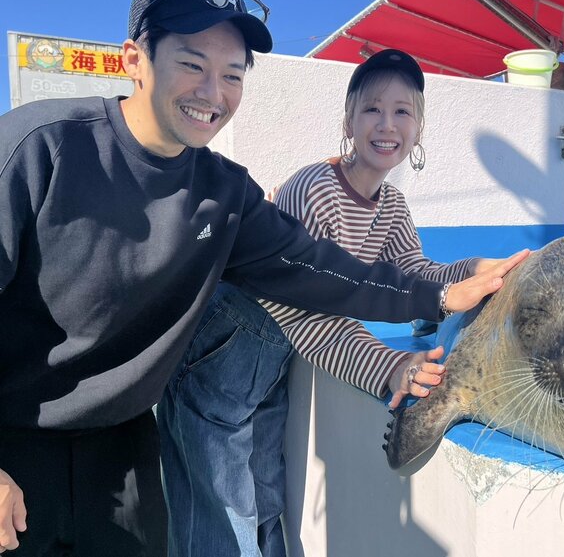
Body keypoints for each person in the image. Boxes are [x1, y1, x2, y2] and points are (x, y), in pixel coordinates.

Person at [0, 0, 528, 555]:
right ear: (136, 60)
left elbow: (324, 272)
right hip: (16, 440)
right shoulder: (40, 148)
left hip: (121, 445)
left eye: (232, 74)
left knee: (243, 510)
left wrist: (452, 287)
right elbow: (308, 307)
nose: (213, 92)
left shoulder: (225, 195)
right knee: (225, 516)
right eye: (193, 64)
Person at [158, 48, 531, 557]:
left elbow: (413, 276)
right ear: (349, 121)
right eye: (372, 109)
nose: (387, 123)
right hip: (228, 346)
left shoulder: (393, 205)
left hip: (275, 356)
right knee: (221, 511)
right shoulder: (314, 190)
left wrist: (475, 270)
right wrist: (388, 365)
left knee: (267, 494)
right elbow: (304, 309)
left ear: (418, 130)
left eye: (403, 111)